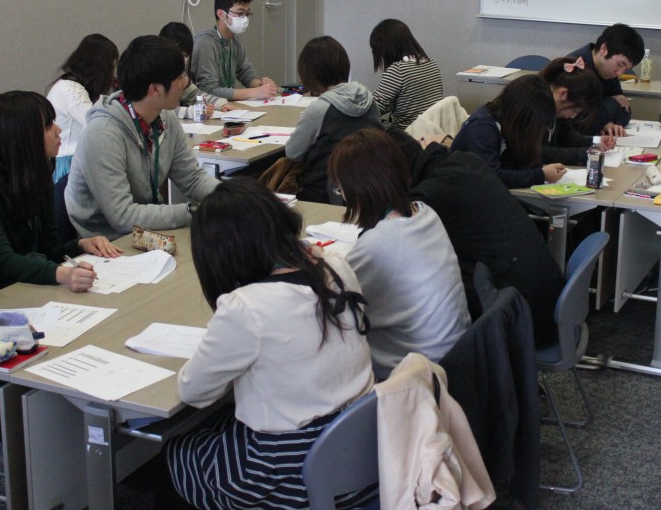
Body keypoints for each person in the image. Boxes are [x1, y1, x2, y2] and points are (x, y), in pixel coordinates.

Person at [163, 178, 375, 509]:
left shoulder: (247, 307)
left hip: (295, 472)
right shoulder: (335, 264)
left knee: (178, 453)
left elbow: (193, 392)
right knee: (221, 425)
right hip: (361, 454)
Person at [389, 128, 563, 345]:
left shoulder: (427, 197)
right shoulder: (464, 161)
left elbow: (389, 249)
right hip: (545, 299)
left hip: (520, 320)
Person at [329, 128, 470, 378]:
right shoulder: (425, 213)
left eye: (342, 190)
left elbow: (332, 303)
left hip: (415, 375)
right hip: (457, 355)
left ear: (358, 189)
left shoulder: (377, 244)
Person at [0, 91, 123, 292]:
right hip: (0, 295)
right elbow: (0, 261)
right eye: (48, 126)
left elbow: (50, 249)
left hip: (29, 289)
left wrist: (81, 245)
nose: (58, 130)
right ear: (23, 137)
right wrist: (63, 274)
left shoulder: (36, 178)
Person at [65, 35, 220, 239]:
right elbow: (122, 217)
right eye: (179, 77)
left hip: (147, 232)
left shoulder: (166, 118)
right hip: (108, 241)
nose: (185, 82)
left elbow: (192, 178)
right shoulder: (102, 134)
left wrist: (232, 196)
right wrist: (194, 211)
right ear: (155, 89)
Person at [284, 36, 381, 203]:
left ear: (310, 74)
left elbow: (293, 153)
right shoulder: (369, 100)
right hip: (367, 188)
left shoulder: (320, 109)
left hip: (322, 192)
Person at [451, 75, 566, 189]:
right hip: (460, 191)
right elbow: (492, 177)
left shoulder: (509, 123)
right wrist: (541, 175)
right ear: (523, 116)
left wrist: (539, 170)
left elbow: (525, 162)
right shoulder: (482, 128)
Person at [46, 34, 118, 183]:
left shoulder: (70, 85)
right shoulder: (71, 90)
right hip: (68, 163)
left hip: (70, 160)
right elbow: (97, 124)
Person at [189, 0, 279, 101]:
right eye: (240, 14)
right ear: (221, 14)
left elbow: (246, 74)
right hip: (206, 107)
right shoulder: (205, 43)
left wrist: (263, 86)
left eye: (247, 14)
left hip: (225, 105)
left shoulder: (234, 39)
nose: (245, 19)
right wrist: (255, 92)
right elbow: (209, 91)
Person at [563, 23, 645, 135]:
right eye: (620, 64)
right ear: (604, 49)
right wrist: (612, 103)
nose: (619, 73)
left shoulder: (608, 71)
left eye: (626, 69)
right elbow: (578, 124)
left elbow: (625, 111)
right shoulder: (576, 68)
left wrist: (609, 123)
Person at [369, 18, 444, 131]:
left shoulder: (398, 69)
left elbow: (375, 109)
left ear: (386, 49)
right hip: (432, 129)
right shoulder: (431, 62)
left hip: (407, 132)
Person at [539, 55, 613, 165]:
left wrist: (595, 141)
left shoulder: (558, 108)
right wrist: (582, 154)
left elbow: (567, 136)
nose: (573, 117)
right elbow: (537, 152)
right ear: (563, 94)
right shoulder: (533, 107)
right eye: (575, 111)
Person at [158, 21, 231, 112]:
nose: (180, 59)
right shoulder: (154, 75)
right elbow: (159, 111)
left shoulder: (181, 76)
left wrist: (221, 104)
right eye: (176, 54)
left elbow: (197, 96)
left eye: (184, 55)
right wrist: (191, 112)